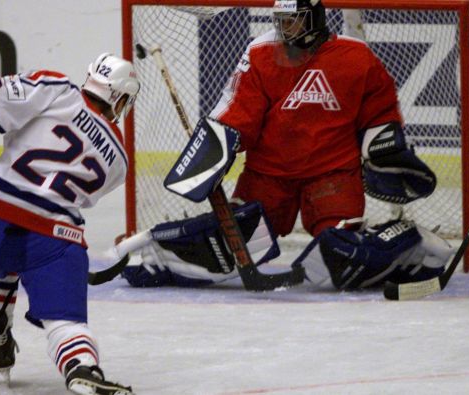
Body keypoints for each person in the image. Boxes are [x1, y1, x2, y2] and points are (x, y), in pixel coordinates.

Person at [121, 0, 447, 291]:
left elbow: (380, 107)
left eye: (294, 20)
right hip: (269, 176)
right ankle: (157, 257)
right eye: (281, 20)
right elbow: (238, 109)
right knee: (234, 240)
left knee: (342, 252)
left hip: (332, 177)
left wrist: (383, 144)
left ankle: (412, 247)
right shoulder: (261, 53)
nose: (285, 29)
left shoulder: (356, 57)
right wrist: (218, 144)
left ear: (316, 17)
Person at [0, 53, 139, 395]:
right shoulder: (119, 159)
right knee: (64, 320)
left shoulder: (56, 87)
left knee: (1, 250)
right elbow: (70, 195)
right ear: (120, 95)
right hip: (50, 239)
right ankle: (81, 367)